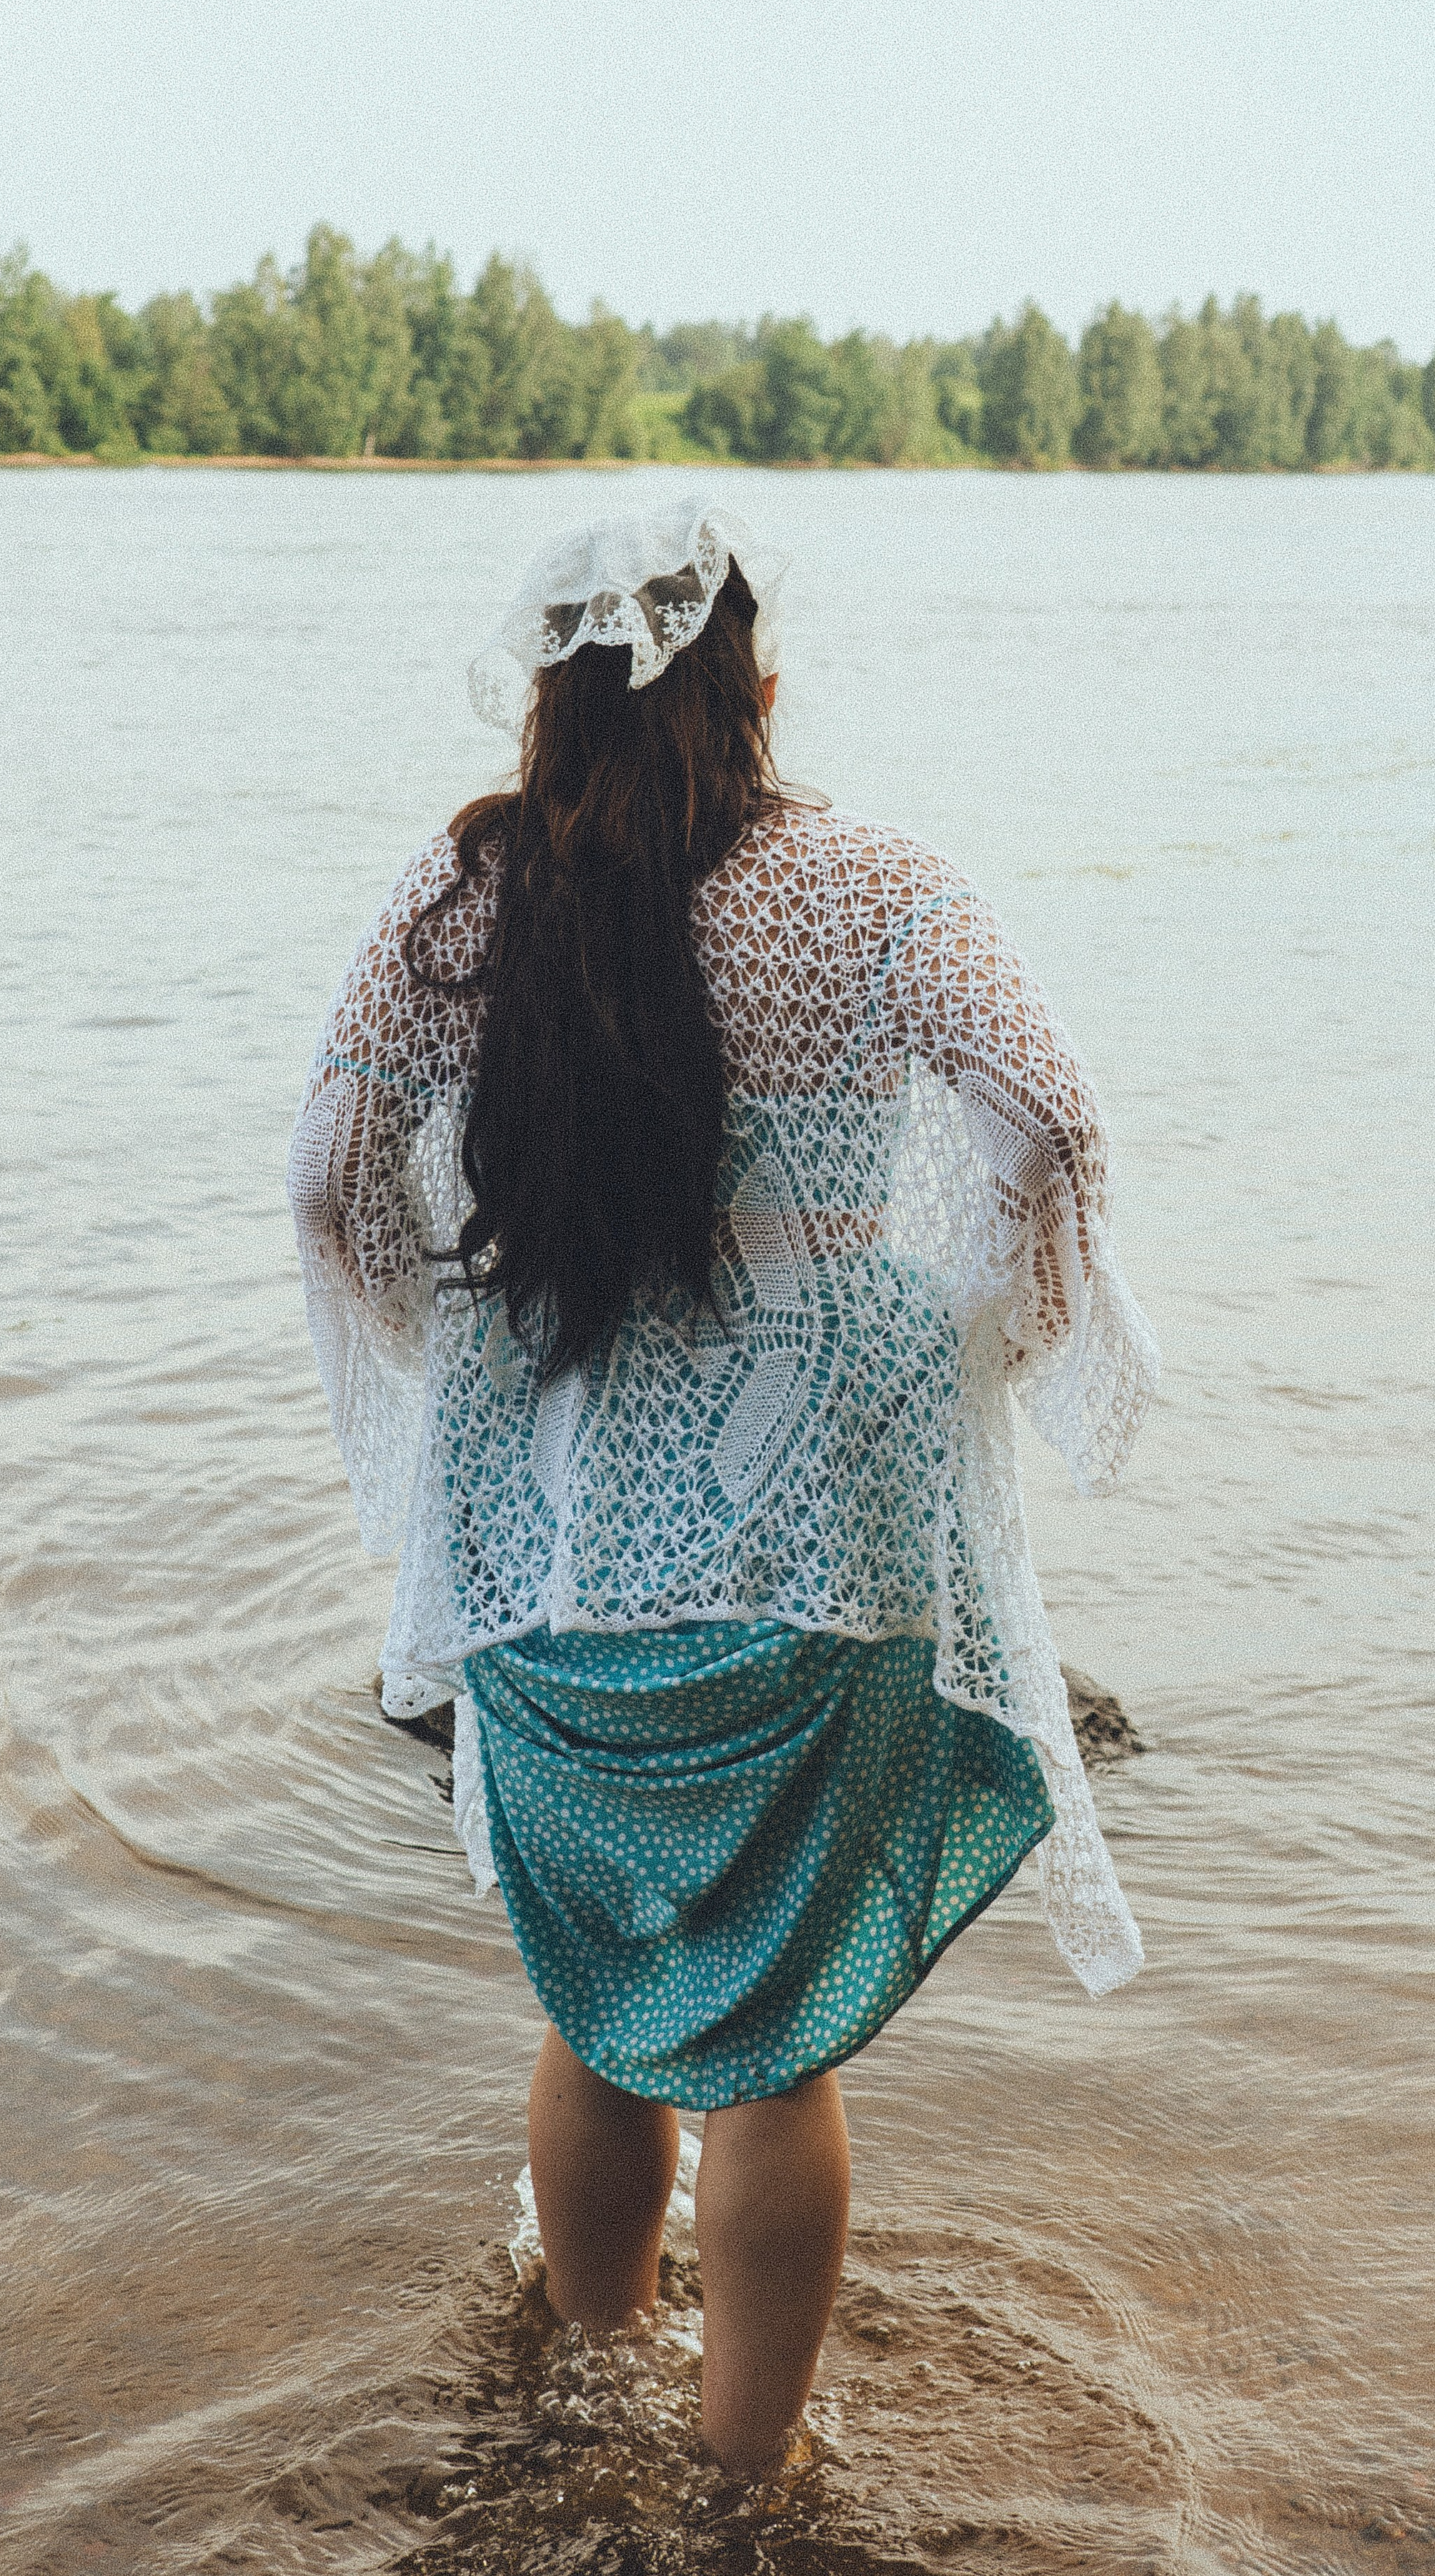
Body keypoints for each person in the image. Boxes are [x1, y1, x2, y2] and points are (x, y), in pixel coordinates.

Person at [288, 497, 1158, 2474]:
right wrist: (969, 1325)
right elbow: (1055, 1121)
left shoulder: (462, 891)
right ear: (757, 692)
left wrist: (449, 1354)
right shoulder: (879, 885)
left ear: (551, 697)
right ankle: (744, 2485)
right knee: (781, 2051)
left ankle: (588, 2385)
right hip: (828, 1525)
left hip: (549, 1499)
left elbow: (323, 1174)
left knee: (600, 2000)